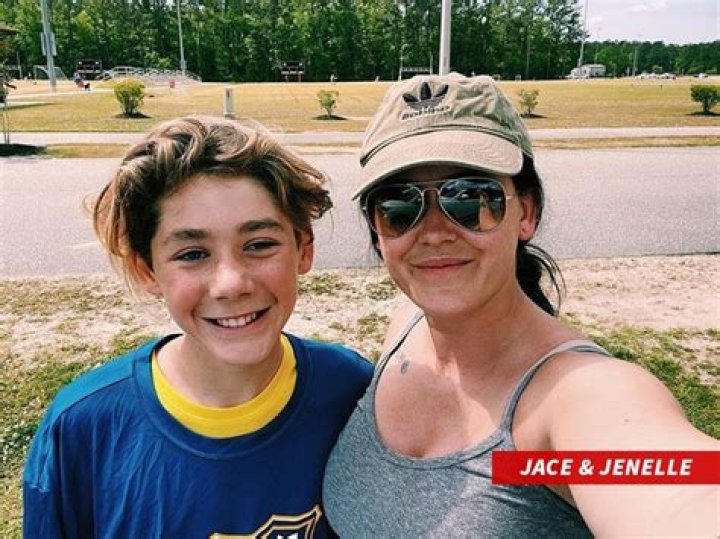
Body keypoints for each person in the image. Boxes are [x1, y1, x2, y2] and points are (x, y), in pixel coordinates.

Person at [323, 73, 719, 536]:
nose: (433, 232)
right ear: (377, 229)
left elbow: (681, 490)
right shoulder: (405, 329)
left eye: (470, 197)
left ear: (525, 213)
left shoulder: (570, 399)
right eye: (398, 207)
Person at [23, 116, 373, 537]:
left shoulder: (350, 391)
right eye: (192, 254)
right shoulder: (83, 429)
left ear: (303, 248)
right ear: (147, 270)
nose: (231, 283)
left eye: (259, 245)